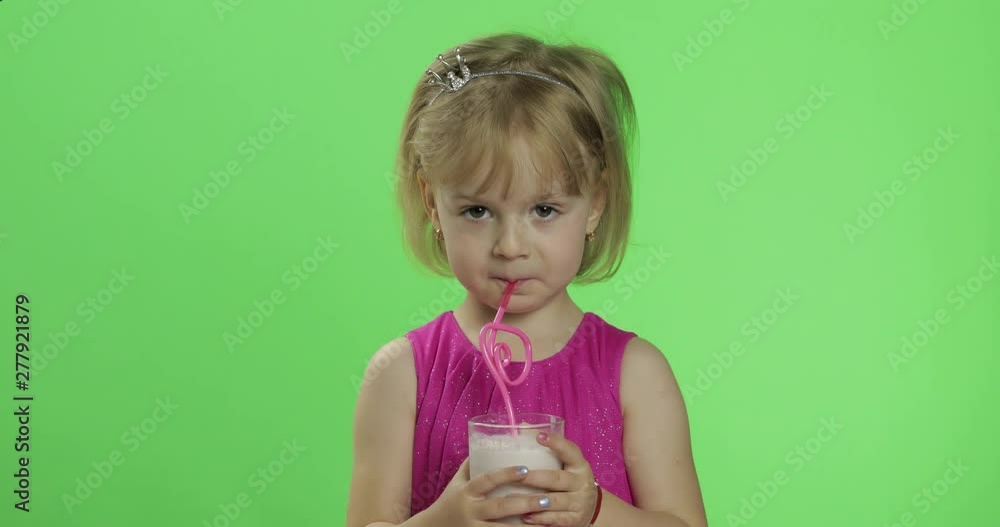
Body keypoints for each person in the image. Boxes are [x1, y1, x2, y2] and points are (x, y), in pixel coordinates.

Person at [347, 32, 707, 527]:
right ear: (433, 204)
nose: (511, 246)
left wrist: (595, 510)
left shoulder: (636, 375)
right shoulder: (401, 375)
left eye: (544, 209)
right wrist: (443, 521)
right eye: (477, 210)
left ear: (594, 206)